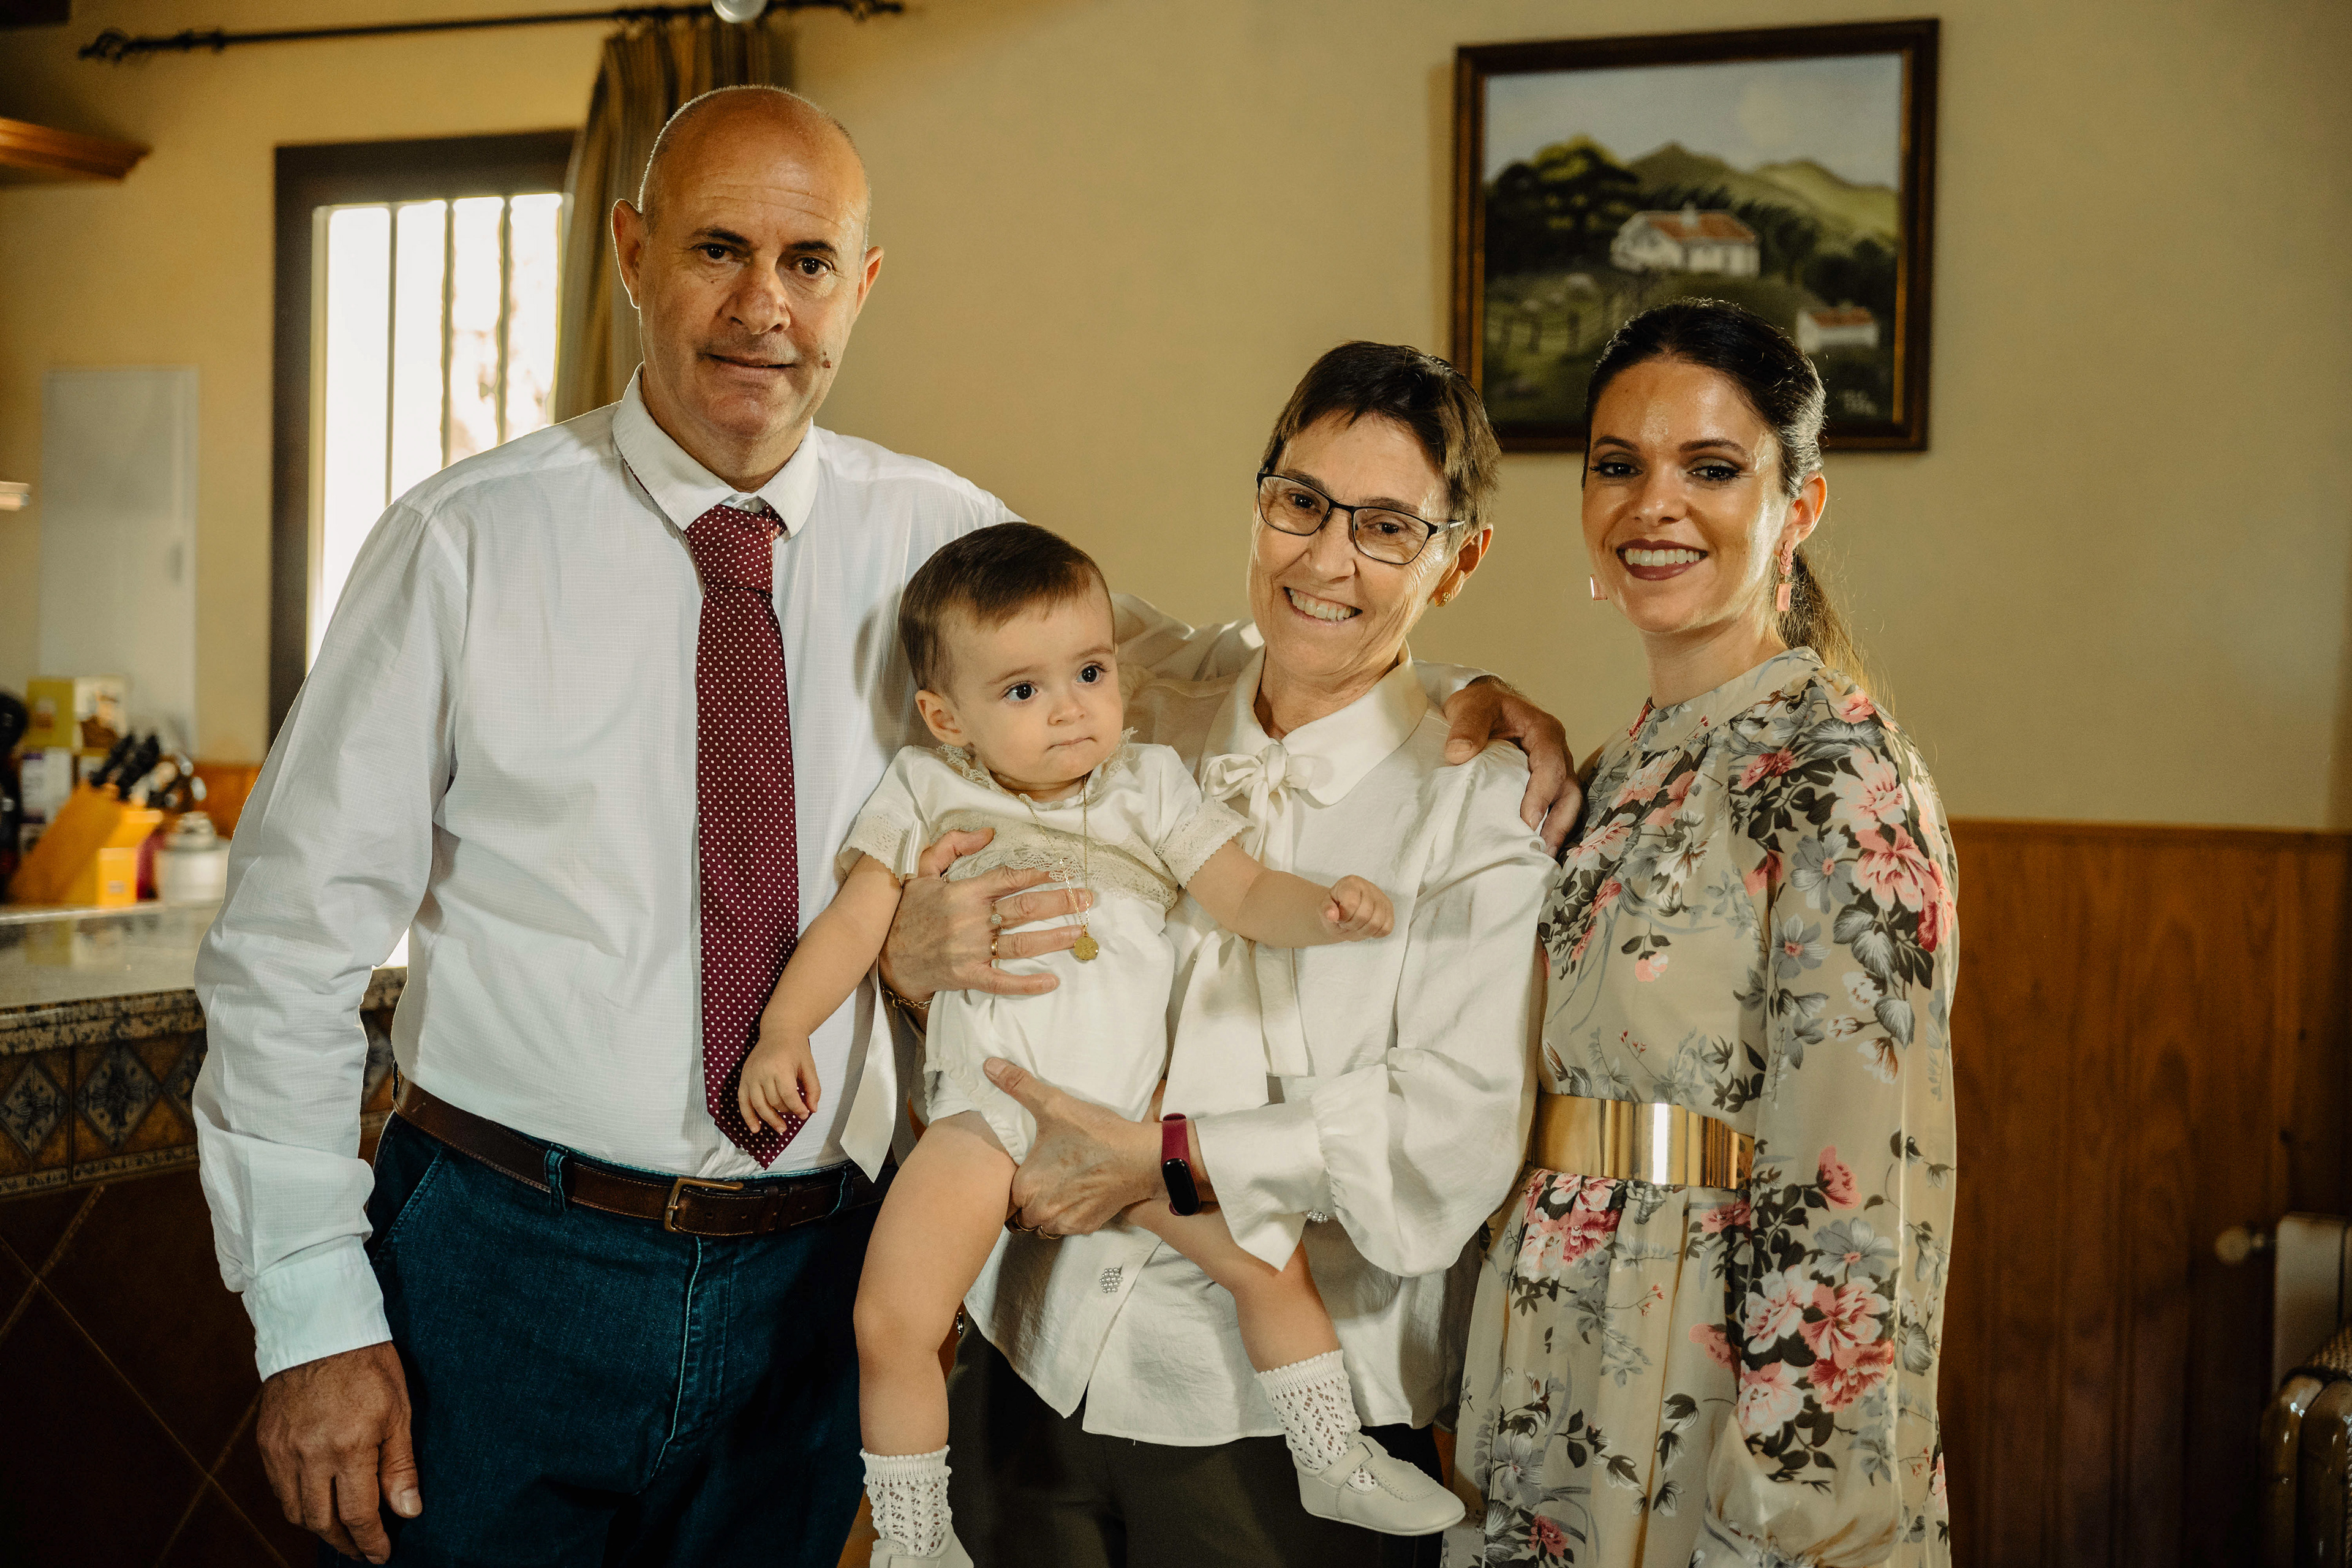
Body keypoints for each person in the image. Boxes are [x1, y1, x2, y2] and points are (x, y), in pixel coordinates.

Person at [191, 89, 1578, 1564]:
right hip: (509, 1253)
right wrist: (310, 1310)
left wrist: (1454, 693)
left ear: (861, 284)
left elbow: (1233, 654)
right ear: (632, 252)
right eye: (717, 249)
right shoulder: (464, 542)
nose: (763, 306)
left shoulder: (945, 538)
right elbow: (284, 949)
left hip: (810, 1274)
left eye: (807, 262)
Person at [876, 342, 1564, 1568]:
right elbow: (957, 618)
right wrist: (902, 948)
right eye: (1301, 502)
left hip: (1280, 1422)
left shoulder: (1478, 807)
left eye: (1388, 528)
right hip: (1032, 1354)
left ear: (1459, 560)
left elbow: (1448, 1132)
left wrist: (1161, 1159)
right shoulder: (1131, 691)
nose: (1326, 558)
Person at [744, 521, 1464, 1567]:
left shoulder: (1149, 784)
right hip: (988, 1115)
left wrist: (1327, 911)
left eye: (1090, 672)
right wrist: (783, 1027)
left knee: (1267, 1262)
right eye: (1022, 691)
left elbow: (1244, 893)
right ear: (947, 718)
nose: (1072, 708)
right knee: (890, 1317)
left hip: (1130, 1125)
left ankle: (1330, 1454)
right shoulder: (927, 790)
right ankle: (914, 1538)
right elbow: (855, 926)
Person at [1445, 300, 1959, 1567]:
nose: (1653, 505)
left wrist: (1794, 1516)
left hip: (1703, 1373)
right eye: (1618, 465)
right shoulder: (1621, 762)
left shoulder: (1840, 772)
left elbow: (1860, 1186)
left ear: (1801, 504)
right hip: (1552, 1354)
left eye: (1712, 468)